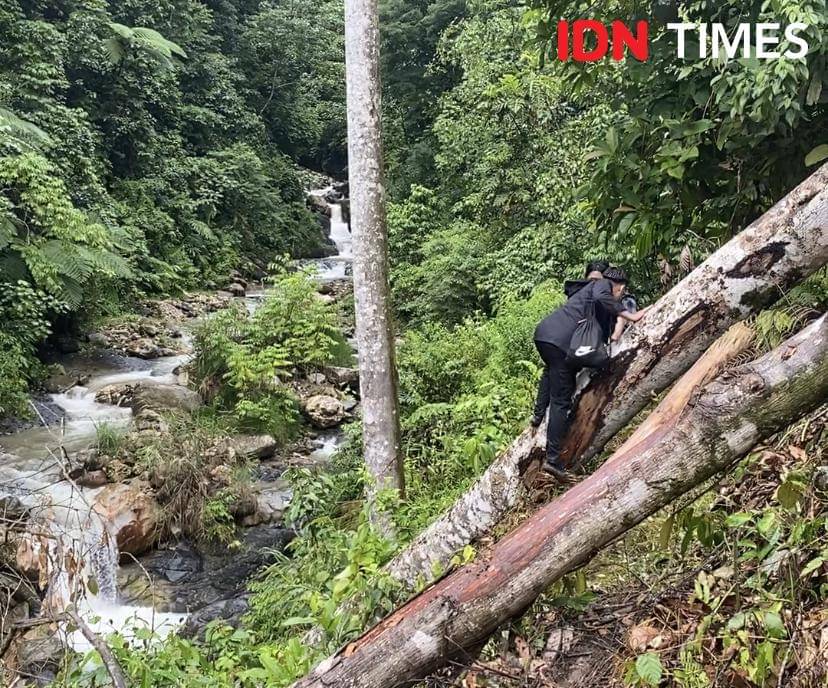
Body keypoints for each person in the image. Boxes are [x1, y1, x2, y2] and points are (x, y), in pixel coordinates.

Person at [531, 267, 648, 483]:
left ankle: (538, 414)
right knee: (560, 402)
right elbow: (603, 296)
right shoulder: (601, 285)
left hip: (549, 338)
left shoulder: (590, 300)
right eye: (620, 292)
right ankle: (553, 459)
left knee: (554, 373)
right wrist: (630, 315)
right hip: (558, 342)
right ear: (619, 287)